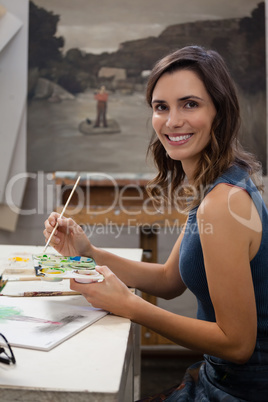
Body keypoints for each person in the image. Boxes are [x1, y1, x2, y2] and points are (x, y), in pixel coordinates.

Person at [44, 46, 268, 401]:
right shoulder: (217, 185)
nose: (171, 121)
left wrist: (129, 305)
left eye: (190, 104)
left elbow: (239, 345)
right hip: (217, 378)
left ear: (219, 112)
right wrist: (88, 252)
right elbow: (168, 281)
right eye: (161, 107)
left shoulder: (223, 203)